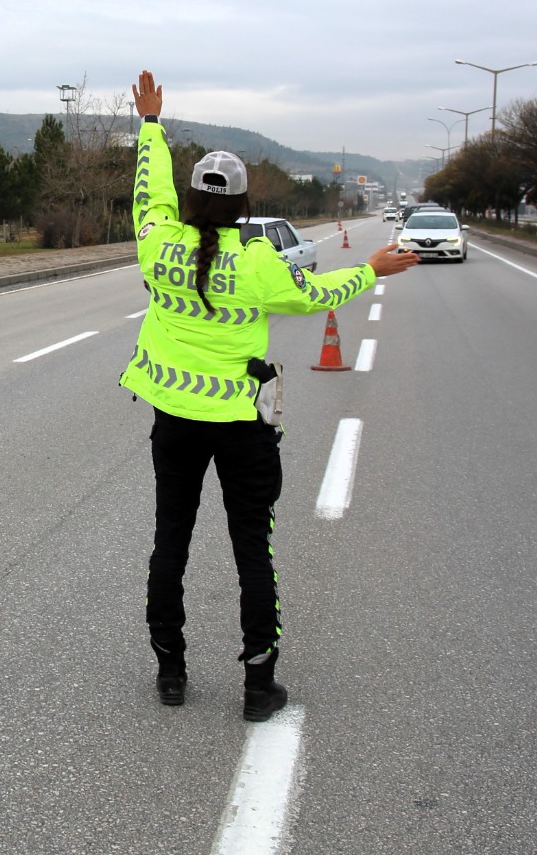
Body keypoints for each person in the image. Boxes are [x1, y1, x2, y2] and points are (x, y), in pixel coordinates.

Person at [119, 70, 418, 721]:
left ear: (192, 199)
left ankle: (170, 670)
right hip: (239, 427)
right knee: (251, 544)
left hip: (174, 421)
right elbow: (318, 295)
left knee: (171, 538)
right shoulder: (257, 263)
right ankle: (259, 684)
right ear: (245, 205)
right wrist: (371, 268)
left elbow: (147, 192)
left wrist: (150, 125)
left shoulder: (158, 244)